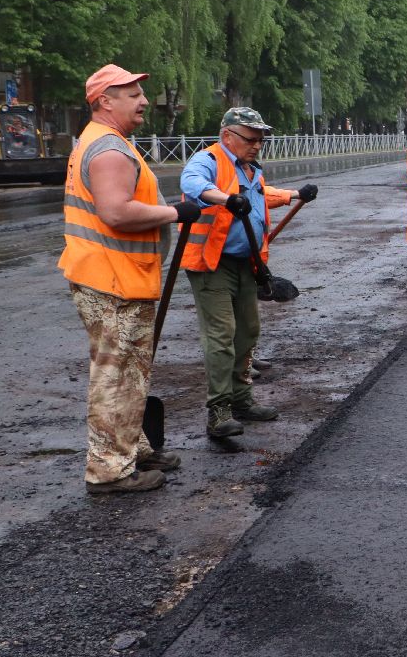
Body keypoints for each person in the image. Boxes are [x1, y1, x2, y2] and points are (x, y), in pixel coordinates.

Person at [60, 63, 200, 495]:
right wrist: (176, 211)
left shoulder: (107, 142)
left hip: (118, 277)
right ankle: (107, 470)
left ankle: (132, 447)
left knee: (131, 373)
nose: (143, 101)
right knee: (115, 374)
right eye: (133, 93)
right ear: (105, 100)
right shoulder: (108, 150)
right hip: (111, 280)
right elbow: (117, 212)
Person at [181, 107, 318, 439]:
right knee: (221, 336)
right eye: (251, 138)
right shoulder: (208, 161)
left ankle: (242, 400)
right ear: (228, 135)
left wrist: (294, 195)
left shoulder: (250, 168)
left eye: (261, 140)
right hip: (212, 264)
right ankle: (219, 410)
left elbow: (257, 197)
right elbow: (192, 184)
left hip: (247, 263)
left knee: (248, 332)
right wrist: (226, 199)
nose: (257, 145)